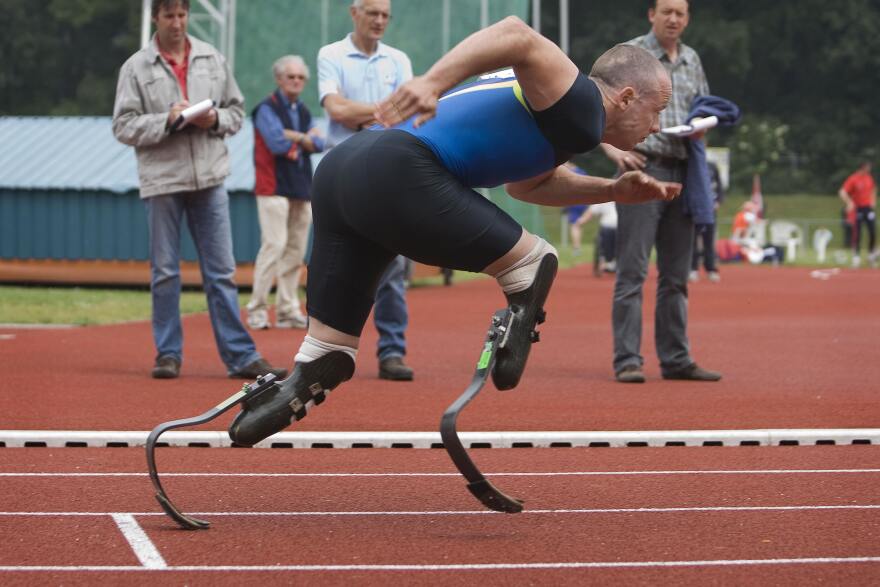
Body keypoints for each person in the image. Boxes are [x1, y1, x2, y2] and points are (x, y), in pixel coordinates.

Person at [226, 16, 682, 447]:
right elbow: (516, 33)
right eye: (657, 110)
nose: (657, 126)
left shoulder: (564, 119)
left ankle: (282, 394)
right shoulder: (582, 101)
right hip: (397, 168)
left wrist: (611, 191)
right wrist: (430, 81)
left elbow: (528, 186)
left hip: (343, 172)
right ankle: (518, 302)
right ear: (624, 97)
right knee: (533, 260)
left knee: (330, 353)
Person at [112, 0, 286, 381]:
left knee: (222, 272)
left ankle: (241, 357)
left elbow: (237, 113)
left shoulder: (212, 58)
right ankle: (168, 354)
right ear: (155, 17)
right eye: (169, 15)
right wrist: (168, 120)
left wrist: (214, 119)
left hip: (210, 179)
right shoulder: (136, 67)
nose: (177, 22)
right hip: (162, 181)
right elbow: (123, 126)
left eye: (182, 15)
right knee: (165, 273)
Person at [600, 0, 721, 384]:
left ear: (687, 19)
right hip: (643, 166)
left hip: (683, 170)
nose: (673, 19)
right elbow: (598, 107)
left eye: (680, 13)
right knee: (632, 269)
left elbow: (701, 107)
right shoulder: (631, 55)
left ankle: (675, 358)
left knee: (676, 274)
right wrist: (613, 147)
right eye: (666, 11)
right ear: (651, 14)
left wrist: (703, 126)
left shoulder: (693, 60)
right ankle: (628, 360)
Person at [316, 0, 415, 381]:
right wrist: (384, 111)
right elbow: (336, 110)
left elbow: (407, 110)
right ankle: (327, 352)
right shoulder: (332, 54)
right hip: (339, 172)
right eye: (372, 13)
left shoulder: (398, 59)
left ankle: (392, 351)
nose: (379, 21)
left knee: (392, 266)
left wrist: (370, 112)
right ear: (354, 13)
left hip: (386, 172)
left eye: (386, 15)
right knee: (332, 262)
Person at [247, 55, 324, 331]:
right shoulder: (265, 108)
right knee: (274, 246)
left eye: (301, 77)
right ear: (279, 79)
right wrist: (303, 137)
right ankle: (256, 309)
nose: (296, 81)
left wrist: (297, 137)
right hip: (273, 187)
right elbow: (277, 143)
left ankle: (287, 309)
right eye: (290, 76)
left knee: (295, 251)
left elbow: (320, 142)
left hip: (301, 187)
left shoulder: (302, 110)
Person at [689, 160, 724, 282]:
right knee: (692, 240)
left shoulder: (712, 166)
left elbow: (719, 186)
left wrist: (718, 201)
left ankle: (711, 269)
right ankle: (693, 269)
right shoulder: (690, 164)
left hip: (710, 209)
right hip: (695, 209)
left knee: (709, 240)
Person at [838, 161, 877, 268]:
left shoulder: (869, 178)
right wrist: (849, 202)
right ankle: (856, 257)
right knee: (857, 234)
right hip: (858, 209)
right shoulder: (853, 178)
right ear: (863, 167)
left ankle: (871, 256)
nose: (869, 169)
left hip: (868, 208)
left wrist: (873, 201)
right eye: (868, 167)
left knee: (873, 232)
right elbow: (842, 192)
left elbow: (873, 189)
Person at [577, 200, 618, 275]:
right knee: (606, 233)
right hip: (607, 228)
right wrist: (581, 221)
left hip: (623, 229)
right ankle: (607, 261)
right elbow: (591, 211)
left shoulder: (626, 199)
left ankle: (615, 262)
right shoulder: (605, 201)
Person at [561, 163, 589, 255]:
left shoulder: (568, 173)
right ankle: (578, 246)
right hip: (583, 201)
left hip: (574, 201)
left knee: (575, 226)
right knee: (579, 224)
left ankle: (576, 248)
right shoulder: (582, 171)